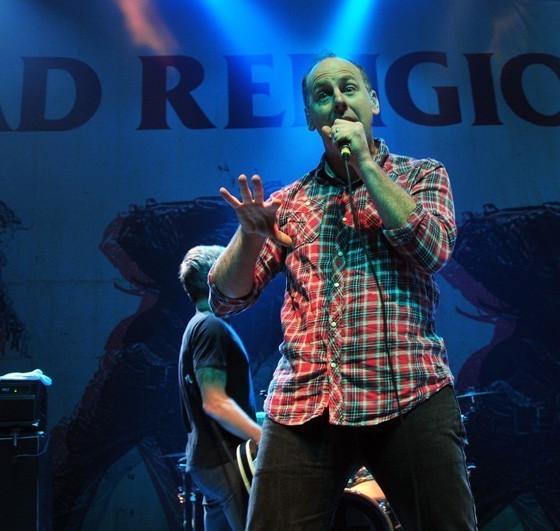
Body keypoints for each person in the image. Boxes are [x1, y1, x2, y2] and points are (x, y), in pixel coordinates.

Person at [208, 53, 478, 530]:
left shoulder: (422, 175)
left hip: (409, 390)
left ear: (373, 101)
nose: (337, 100)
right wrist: (249, 238)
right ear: (310, 118)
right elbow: (225, 299)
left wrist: (367, 164)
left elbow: (432, 249)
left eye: (348, 88)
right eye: (323, 95)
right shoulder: (289, 202)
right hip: (306, 402)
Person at [178, 245, 263, 531]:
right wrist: (262, 438)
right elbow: (214, 402)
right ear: (215, 277)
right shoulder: (211, 327)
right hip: (225, 460)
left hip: (209, 464)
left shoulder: (198, 325)